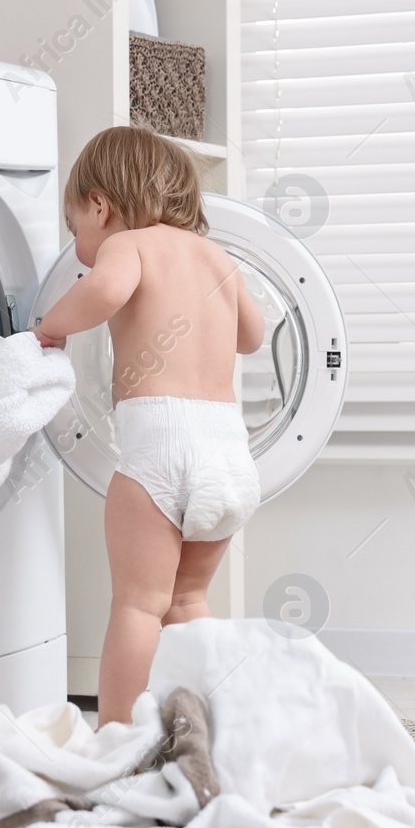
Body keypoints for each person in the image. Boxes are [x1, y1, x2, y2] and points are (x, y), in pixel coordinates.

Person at [35, 126, 265, 725]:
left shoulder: (128, 245)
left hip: (162, 445)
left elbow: (106, 290)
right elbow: (253, 336)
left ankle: (114, 739)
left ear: (101, 206)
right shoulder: (214, 255)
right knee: (188, 600)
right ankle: (224, 723)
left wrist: (50, 328)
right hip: (229, 455)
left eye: (74, 225)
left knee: (138, 606)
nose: (77, 242)